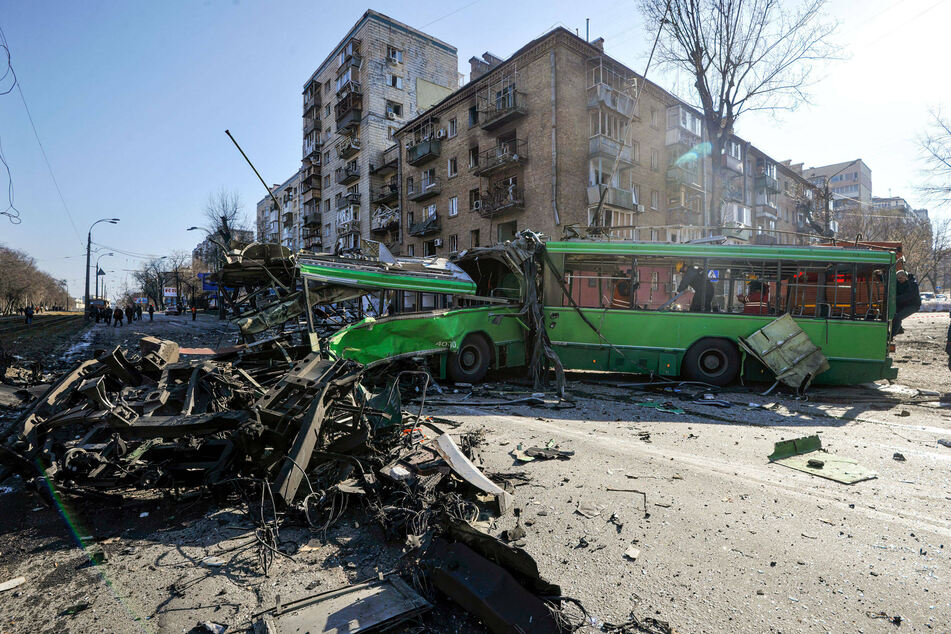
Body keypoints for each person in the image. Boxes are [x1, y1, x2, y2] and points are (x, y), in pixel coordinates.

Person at [892, 270, 921, 336]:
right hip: (903, 304)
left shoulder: (912, 284)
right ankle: (899, 329)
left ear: (905, 277)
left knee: (897, 317)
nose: (899, 280)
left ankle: (892, 335)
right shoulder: (898, 283)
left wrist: (896, 299)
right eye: (898, 278)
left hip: (913, 305)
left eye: (901, 278)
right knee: (892, 316)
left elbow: (908, 296)